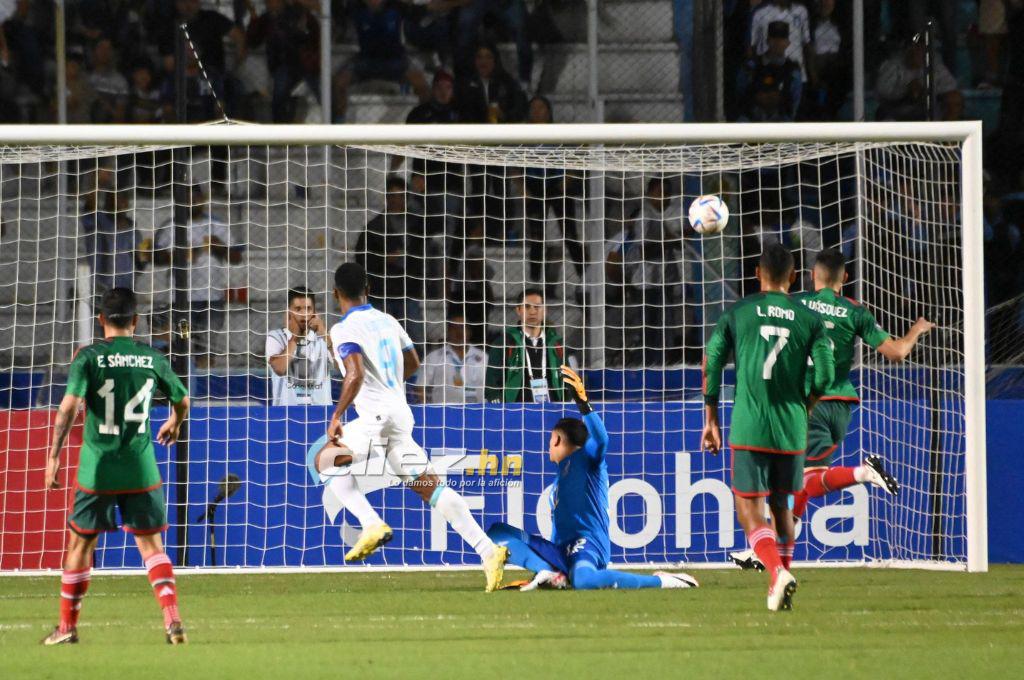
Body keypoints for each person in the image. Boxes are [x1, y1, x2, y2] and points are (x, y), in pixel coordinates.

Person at [304, 263, 510, 590]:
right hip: (399, 416)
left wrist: (337, 415)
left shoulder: (345, 328)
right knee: (431, 487)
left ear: (335, 293)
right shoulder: (388, 321)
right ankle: (489, 551)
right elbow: (413, 363)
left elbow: (354, 373)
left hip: (376, 418)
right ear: (368, 289)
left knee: (322, 460)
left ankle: (371, 523)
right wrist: (385, 387)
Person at [730, 248, 934, 570]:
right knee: (799, 485)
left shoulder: (795, 304)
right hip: (841, 407)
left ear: (811, 275)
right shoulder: (855, 311)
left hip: (809, 403)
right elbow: (896, 352)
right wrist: (916, 330)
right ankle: (771, 558)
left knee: (803, 480)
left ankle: (863, 473)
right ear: (845, 278)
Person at [41, 287, 190, 645]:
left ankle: (67, 627)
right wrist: (175, 422)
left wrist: (53, 456)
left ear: (101, 320)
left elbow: (68, 408)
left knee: (80, 546)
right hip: (141, 467)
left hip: (98, 469)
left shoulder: (88, 357)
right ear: (135, 320)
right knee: (151, 547)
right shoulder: (152, 357)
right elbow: (183, 399)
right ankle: (172, 619)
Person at [701, 244, 835, 611]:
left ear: (757, 273)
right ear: (794, 276)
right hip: (791, 428)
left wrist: (710, 417)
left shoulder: (738, 312)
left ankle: (776, 573)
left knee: (748, 510)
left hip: (750, 425)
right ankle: (781, 582)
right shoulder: (810, 319)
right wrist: (806, 404)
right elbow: (825, 376)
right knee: (781, 508)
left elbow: (712, 361)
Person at [486, 366, 699, 591]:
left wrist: (583, 404)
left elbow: (601, 440)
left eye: (550, 440)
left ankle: (665, 581)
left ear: (557, 440)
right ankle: (550, 572)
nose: (548, 446)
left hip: (587, 544)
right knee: (496, 533)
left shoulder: (587, 458)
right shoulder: (561, 477)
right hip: (561, 550)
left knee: (584, 581)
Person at [153, 184, 243, 368]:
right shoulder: (171, 226)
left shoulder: (217, 225)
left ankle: (204, 381)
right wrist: (180, 253)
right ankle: (186, 380)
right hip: (181, 301)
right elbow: (156, 258)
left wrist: (221, 247)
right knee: (184, 343)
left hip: (212, 299)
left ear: (203, 199)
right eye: (188, 198)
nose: (192, 202)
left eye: (196, 197)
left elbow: (236, 258)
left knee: (207, 348)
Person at [332, 0, 429, 123]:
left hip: (395, 61)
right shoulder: (355, 6)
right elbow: (331, 9)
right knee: (338, 83)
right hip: (366, 61)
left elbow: (423, 10)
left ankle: (425, 122)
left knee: (422, 86)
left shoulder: (397, 6)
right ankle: (338, 124)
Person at [485, 287, 568, 403]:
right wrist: (502, 407)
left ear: (545, 310)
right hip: (515, 410)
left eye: (537, 307)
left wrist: (565, 403)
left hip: (552, 409)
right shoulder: (504, 343)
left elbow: (568, 381)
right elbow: (492, 385)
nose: (532, 312)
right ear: (518, 310)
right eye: (527, 307)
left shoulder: (556, 343)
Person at [266, 287, 334, 406]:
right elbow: (279, 369)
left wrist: (324, 334)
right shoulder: (276, 337)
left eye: (308, 309)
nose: (303, 314)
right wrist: (294, 337)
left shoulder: (324, 338)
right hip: (286, 413)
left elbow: (342, 366)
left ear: (314, 313)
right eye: (298, 309)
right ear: (289, 312)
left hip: (321, 413)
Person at [876, 38, 963, 121]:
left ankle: (946, 130)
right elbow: (882, 92)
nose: (916, 51)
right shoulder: (893, 66)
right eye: (913, 47)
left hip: (927, 113)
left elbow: (950, 88)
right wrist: (907, 88)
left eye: (919, 48)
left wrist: (925, 90)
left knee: (954, 99)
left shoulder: (935, 66)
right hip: (895, 114)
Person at [737, 20, 803, 122]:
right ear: (768, 41)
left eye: (781, 39)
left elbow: (794, 104)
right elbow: (741, 93)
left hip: (780, 119)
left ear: (787, 43)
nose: (777, 43)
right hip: (753, 117)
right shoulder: (752, 66)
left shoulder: (792, 70)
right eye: (774, 38)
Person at [420, 310, 488, 403]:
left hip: (478, 410)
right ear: (448, 332)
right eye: (454, 328)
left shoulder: (483, 357)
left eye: (462, 327)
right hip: (443, 411)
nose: (459, 332)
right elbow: (419, 387)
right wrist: (429, 409)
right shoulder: (434, 357)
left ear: (469, 331)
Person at [455, 43, 526, 123]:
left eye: (488, 57)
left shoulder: (507, 82)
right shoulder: (464, 84)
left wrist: (503, 115)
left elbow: (520, 110)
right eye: (479, 57)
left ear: (495, 60)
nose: (483, 62)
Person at [748, 0, 814, 86]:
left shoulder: (801, 11)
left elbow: (806, 43)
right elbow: (752, 46)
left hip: (795, 75)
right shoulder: (760, 13)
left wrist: (813, 74)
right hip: (765, 73)